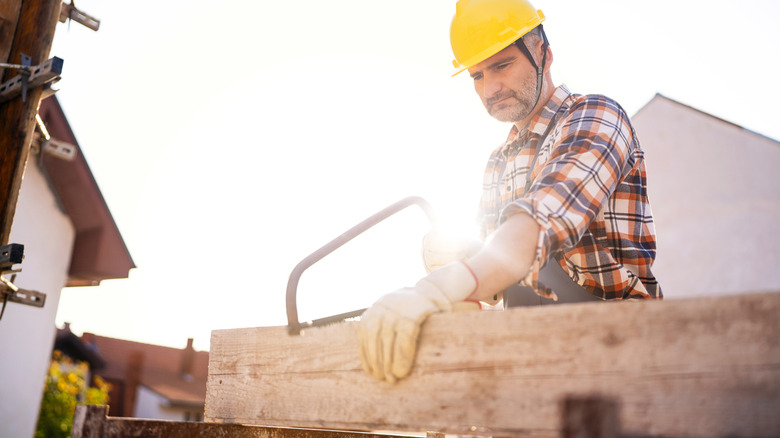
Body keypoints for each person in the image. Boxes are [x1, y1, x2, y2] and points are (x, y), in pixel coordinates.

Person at [358, 0, 662, 383]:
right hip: (531, 361)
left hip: (621, 353)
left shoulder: (595, 116)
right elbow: (497, 285)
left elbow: (539, 223)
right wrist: (465, 257)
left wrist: (439, 286)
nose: (491, 88)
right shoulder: (497, 162)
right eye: (477, 76)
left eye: (502, 65)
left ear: (543, 54)